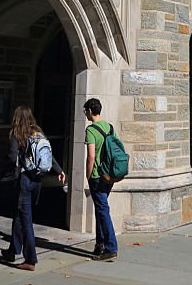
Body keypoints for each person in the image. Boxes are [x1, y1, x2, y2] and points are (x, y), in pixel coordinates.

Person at [3, 105, 66, 271]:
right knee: (19, 213)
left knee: (26, 219)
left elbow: (12, 157)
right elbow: (48, 155)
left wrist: (9, 170)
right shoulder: (38, 132)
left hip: (24, 179)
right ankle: (13, 250)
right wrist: (59, 170)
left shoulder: (17, 134)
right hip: (37, 180)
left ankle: (30, 259)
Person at [84, 97, 118, 261]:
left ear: (90, 111)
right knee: (100, 208)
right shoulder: (110, 127)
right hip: (109, 175)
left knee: (103, 210)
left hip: (97, 175)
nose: (85, 114)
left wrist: (88, 175)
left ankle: (111, 247)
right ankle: (100, 245)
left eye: (85, 111)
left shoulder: (91, 130)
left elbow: (91, 156)